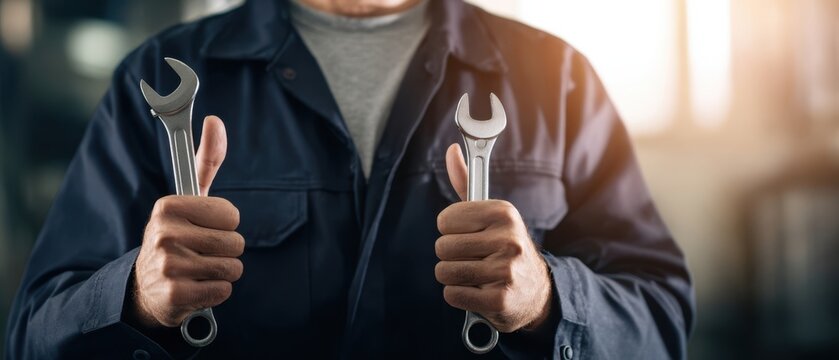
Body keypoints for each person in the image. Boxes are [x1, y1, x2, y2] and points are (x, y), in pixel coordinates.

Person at [5, 0, 694, 358]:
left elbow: (659, 326)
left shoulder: (558, 80)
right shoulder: (155, 78)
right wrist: (134, 298)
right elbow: (33, 336)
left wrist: (549, 301)